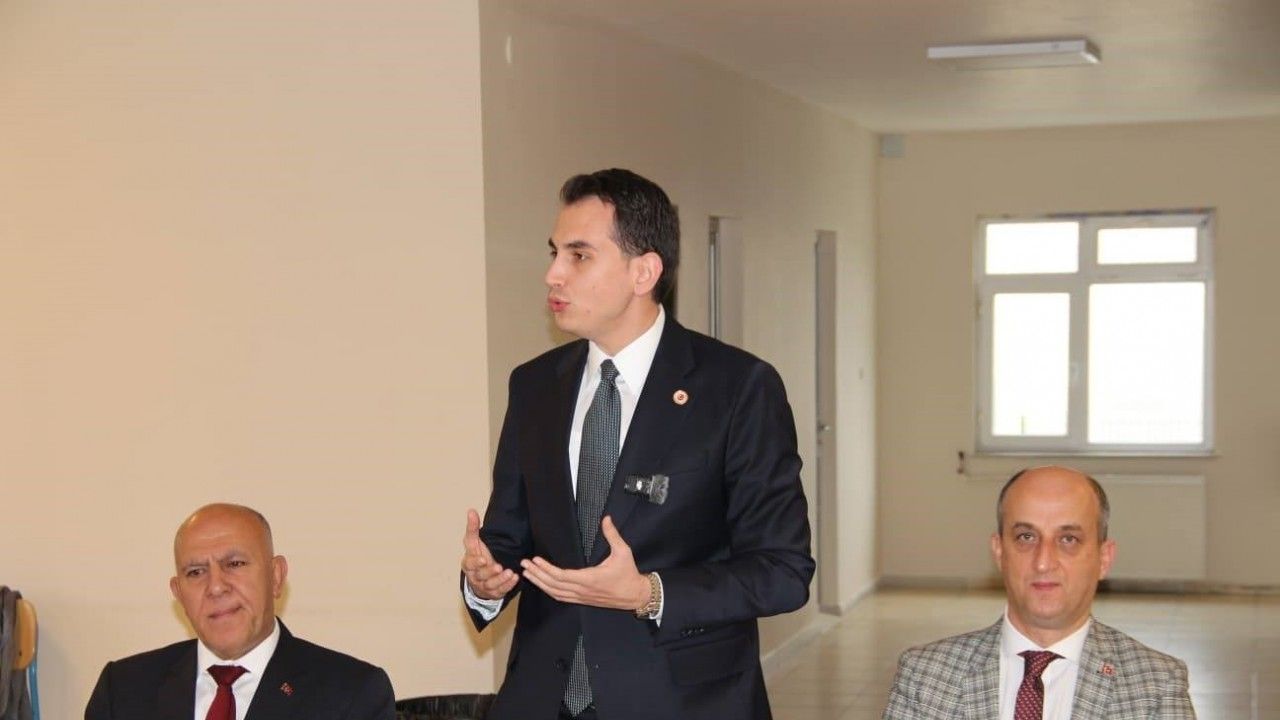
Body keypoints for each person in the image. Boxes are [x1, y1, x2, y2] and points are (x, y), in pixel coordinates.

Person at [461, 168, 814, 720]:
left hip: (682, 700)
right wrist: (486, 581)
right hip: (543, 697)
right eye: (554, 253)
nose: (553, 274)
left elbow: (783, 572)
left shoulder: (737, 388)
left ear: (644, 271)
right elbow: (511, 536)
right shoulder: (534, 385)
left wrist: (650, 593)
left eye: (579, 256)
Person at [882, 466, 1195, 720]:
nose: (1044, 562)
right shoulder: (925, 676)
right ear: (999, 552)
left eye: (1068, 539)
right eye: (1026, 537)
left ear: (1104, 558)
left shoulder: (1157, 685)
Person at [85, 503, 395, 720]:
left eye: (234, 564)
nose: (216, 586)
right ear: (178, 593)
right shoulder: (123, 690)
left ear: (276, 576)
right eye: (195, 572)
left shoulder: (352, 693)